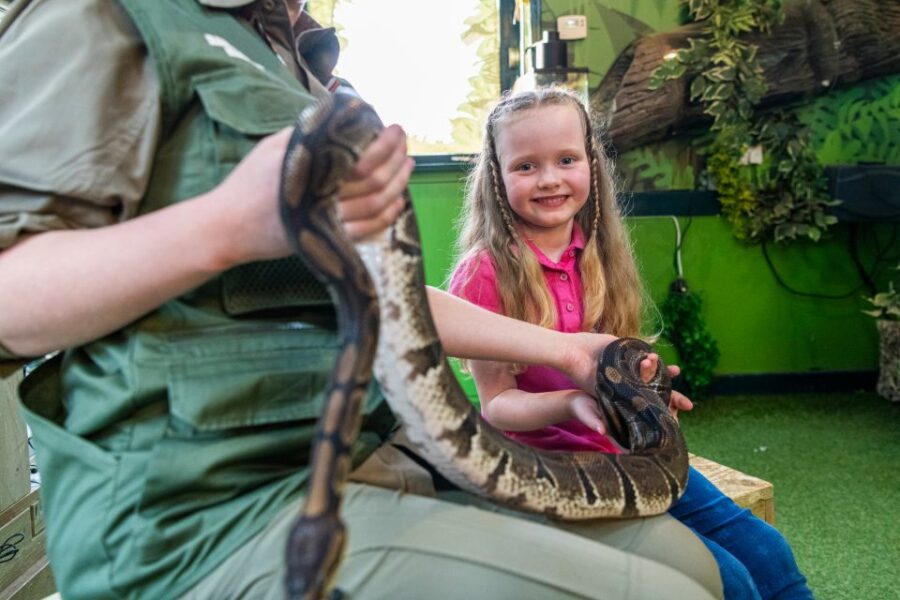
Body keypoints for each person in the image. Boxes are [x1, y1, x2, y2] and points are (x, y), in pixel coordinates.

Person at [0, 2, 723, 599]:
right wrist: (222, 226)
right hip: (200, 513)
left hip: (371, 450)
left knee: (689, 562)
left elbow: (386, 295)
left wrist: (571, 351)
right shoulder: (95, 17)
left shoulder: (283, 50)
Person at [448, 87, 814, 600]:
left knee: (767, 552)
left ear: (592, 165)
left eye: (566, 159)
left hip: (625, 449)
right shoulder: (484, 275)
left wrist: (651, 394)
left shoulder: (599, 256)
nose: (550, 178)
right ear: (496, 176)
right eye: (526, 166)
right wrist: (576, 402)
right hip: (544, 469)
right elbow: (499, 406)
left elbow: (620, 362)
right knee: (727, 580)